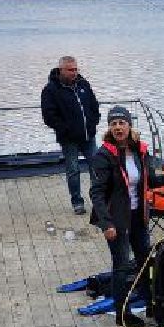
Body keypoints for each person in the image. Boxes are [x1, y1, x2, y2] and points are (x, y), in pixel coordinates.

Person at [88, 105, 164, 326]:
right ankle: (121, 313)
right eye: (114, 123)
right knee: (122, 266)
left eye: (121, 123)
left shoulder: (138, 151)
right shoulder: (103, 156)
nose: (118, 127)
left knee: (145, 261)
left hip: (138, 217)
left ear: (129, 125)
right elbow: (96, 193)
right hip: (116, 220)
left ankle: (150, 304)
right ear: (109, 128)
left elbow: (150, 181)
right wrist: (106, 224)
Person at [40, 56, 100, 215]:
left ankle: (97, 201)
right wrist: (66, 129)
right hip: (68, 139)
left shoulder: (83, 84)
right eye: (71, 70)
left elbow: (94, 105)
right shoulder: (50, 90)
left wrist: (94, 121)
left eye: (76, 69)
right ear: (61, 70)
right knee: (73, 170)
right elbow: (49, 116)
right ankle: (77, 202)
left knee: (97, 168)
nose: (75, 72)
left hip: (89, 136)